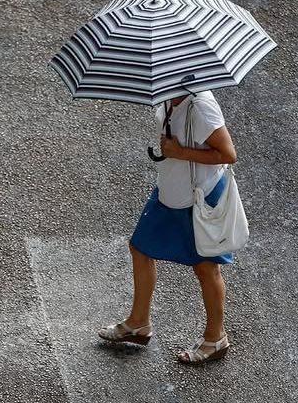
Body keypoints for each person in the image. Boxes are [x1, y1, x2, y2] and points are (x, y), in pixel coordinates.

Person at [98, 89, 238, 365]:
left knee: (206, 267)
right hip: (170, 192)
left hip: (197, 198)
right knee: (140, 248)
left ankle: (216, 338)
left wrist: (179, 152)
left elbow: (228, 153)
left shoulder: (201, 106)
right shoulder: (168, 96)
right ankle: (139, 323)